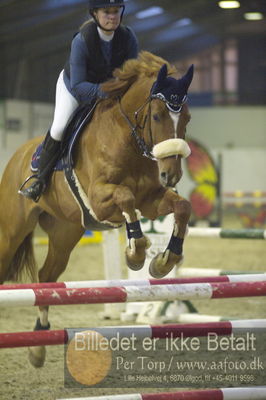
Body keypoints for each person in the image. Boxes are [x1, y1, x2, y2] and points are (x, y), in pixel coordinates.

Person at [19, 0, 138, 202]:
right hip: (74, 88)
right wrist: (107, 91)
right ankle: (39, 180)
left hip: (109, 91)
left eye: (116, 11)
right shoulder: (82, 40)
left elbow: (132, 73)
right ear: (95, 14)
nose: (112, 16)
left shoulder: (128, 38)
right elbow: (79, 86)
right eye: (107, 12)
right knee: (59, 127)